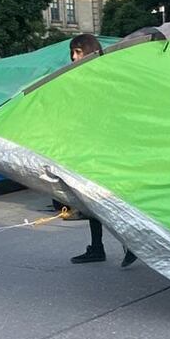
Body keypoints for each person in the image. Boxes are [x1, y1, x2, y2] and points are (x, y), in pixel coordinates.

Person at [65, 33, 137, 269]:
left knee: (108, 200)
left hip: (108, 148)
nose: (75, 57)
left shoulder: (104, 76)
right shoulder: (76, 77)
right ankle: (98, 247)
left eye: (79, 52)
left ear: (90, 51)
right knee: (91, 201)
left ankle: (130, 244)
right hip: (89, 148)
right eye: (73, 53)